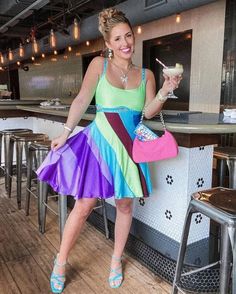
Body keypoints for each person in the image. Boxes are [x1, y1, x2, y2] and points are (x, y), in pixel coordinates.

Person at [37, 7, 182, 293]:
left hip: (129, 146)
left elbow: (148, 112)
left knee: (125, 204)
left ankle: (116, 260)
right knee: (84, 205)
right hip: (100, 144)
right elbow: (80, 100)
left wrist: (166, 89)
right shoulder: (98, 66)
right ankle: (61, 260)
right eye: (117, 39)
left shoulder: (147, 74)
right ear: (108, 44)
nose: (125, 43)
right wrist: (65, 134)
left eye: (128, 35)